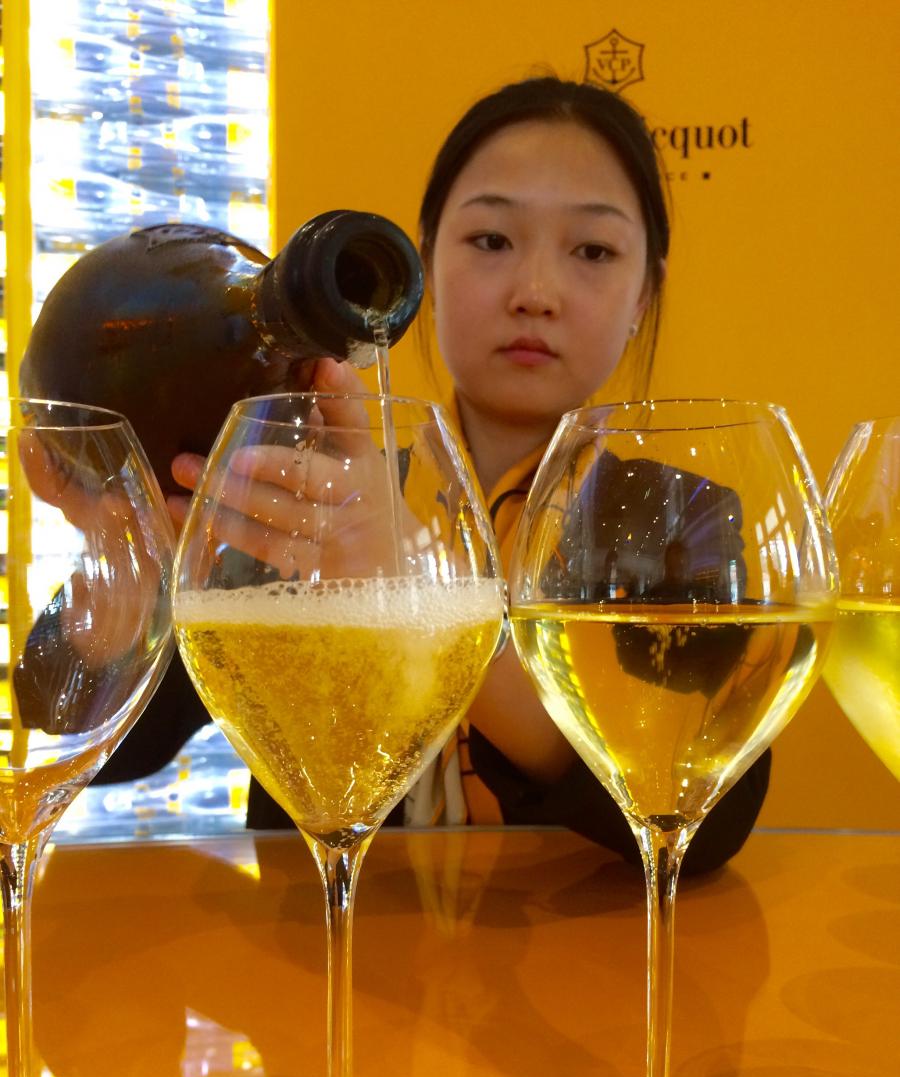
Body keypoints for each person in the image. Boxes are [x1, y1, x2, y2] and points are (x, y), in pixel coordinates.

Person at [118, 75, 772, 871]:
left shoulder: (679, 512)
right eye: (491, 241)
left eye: (594, 251)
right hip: (320, 941)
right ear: (424, 262)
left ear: (644, 295)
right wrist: (122, 556)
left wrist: (419, 597)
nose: (535, 293)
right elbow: (121, 744)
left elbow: (710, 811)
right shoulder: (311, 487)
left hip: (583, 944)